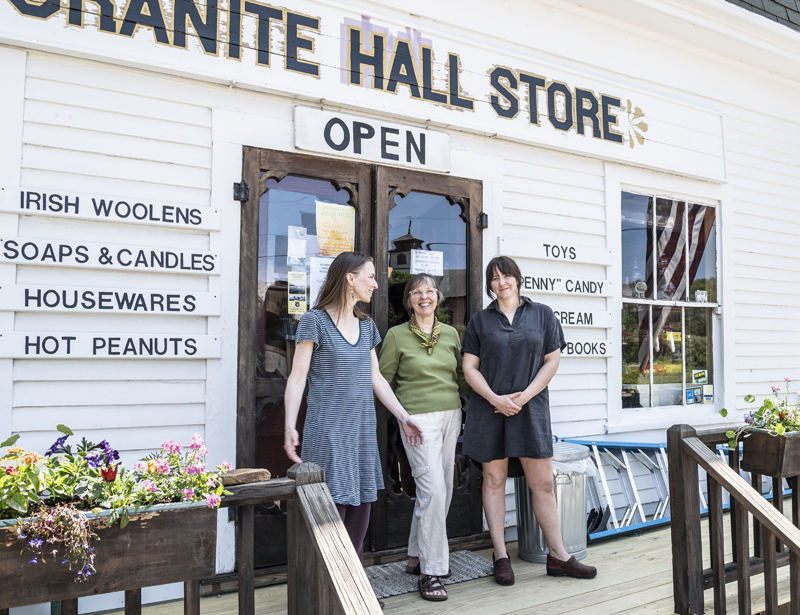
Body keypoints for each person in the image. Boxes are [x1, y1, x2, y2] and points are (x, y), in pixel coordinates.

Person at [462, 255, 597, 585]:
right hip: (490, 410)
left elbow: (552, 360)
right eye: (494, 279)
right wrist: (496, 398)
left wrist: (523, 396)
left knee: (543, 484)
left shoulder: (542, 315)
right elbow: (469, 367)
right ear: (489, 285)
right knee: (494, 481)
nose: (501, 282)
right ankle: (500, 555)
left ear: (518, 279)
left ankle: (559, 556)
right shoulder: (480, 320)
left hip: (531, 410)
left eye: (506, 276)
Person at [283, 252, 424, 564]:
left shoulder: (366, 324)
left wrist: (403, 417)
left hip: (361, 434)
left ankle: (355, 594)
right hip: (328, 433)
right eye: (370, 276)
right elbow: (297, 378)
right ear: (350, 278)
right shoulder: (314, 321)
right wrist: (289, 427)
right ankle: (330, 596)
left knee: (360, 514)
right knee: (331, 516)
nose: (375, 284)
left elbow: (375, 378)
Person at [379, 274, 470, 602]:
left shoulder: (450, 335)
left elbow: (462, 377)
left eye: (429, 290)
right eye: (416, 292)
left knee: (442, 490)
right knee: (432, 491)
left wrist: (492, 396)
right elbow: (383, 380)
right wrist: (402, 417)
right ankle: (431, 571)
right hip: (417, 421)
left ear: (438, 297)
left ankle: (416, 555)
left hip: (451, 416)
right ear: (408, 301)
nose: (423, 296)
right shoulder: (396, 336)